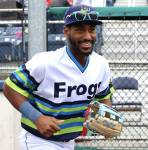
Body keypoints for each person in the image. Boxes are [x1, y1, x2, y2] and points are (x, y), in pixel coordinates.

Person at [3, 5, 114, 150]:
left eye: (91, 29)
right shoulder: (45, 62)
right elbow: (10, 87)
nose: (87, 36)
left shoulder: (101, 64)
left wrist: (105, 118)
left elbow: (103, 97)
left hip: (69, 142)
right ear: (66, 32)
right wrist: (37, 118)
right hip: (37, 140)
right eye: (80, 30)